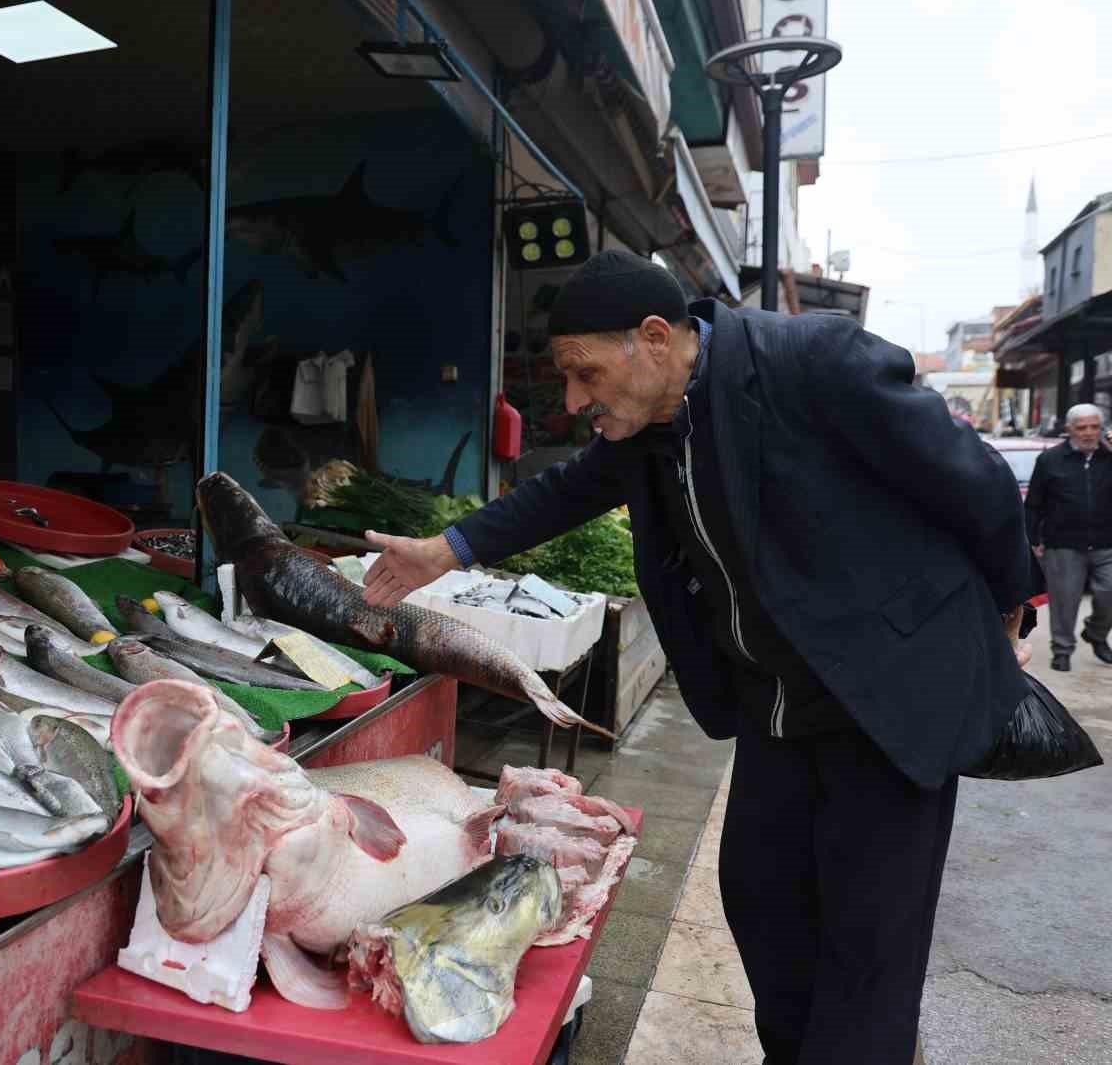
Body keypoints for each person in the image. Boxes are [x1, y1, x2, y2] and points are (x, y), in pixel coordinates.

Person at [361, 250, 1035, 1065]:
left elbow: (976, 481)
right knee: (761, 899)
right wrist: (447, 548)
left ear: (653, 338)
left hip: (887, 697)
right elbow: (566, 489)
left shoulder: (812, 363)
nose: (573, 401)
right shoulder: (650, 426)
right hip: (777, 707)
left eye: (584, 374)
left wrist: (1008, 611)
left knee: (868, 939)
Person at [1024, 403, 1112, 671]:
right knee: (1064, 601)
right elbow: (1034, 504)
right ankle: (1062, 650)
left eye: (1094, 427)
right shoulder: (1050, 460)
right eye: (1082, 427)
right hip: (1062, 543)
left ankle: (1096, 634)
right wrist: (1033, 539)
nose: (1088, 433)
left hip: (1106, 541)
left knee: (1110, 591)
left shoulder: (1110, 458)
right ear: (1069, 429)